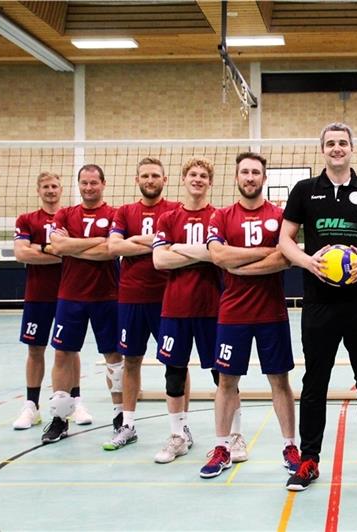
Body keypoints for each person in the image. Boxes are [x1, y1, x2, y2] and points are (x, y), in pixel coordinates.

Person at [279, 122, 357, 491]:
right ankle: (309, 459)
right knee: (314, 381)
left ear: (351, 148)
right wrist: (307, 261)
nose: (336, 148)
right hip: (319, 302)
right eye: (330, 143)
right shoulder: (304, 191)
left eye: (342, 143)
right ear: (322, 150)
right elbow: (285, 238)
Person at [204, 152, 299, 478]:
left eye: (255, 172)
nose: (249, 177)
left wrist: (239, 263)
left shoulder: (280, 215)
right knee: (227, 382)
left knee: (280, 381)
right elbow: (218, 255)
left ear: (264, 177)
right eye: (244, 172)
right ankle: (222, 447)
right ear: (236, 177)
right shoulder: (221, 215)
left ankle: (290, 446)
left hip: (271, 312)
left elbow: (284, 259)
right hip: (233, 313)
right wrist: (264, 255)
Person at [152, 158, 245, 466]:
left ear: (210, 182)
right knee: (174, 374)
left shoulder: (220, 216)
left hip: (214, 308)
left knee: (224, 376)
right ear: (183, 179)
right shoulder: (167, 218)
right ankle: (178, 435)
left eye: (203, 175)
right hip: (175, 308)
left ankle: (234, 436)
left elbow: (218, 257)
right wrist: (200, 253)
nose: (197, 179)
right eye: (192, 174)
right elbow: (158, 262)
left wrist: (176, 249)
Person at [103, 157, 180, 450]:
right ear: (137, 180)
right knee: (130, 361)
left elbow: (174, 246)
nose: (150, 180)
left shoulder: (174, 210)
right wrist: (155, 241)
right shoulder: (125, 211)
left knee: (176, 362)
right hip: (131, 296)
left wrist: (135, 241)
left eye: (155, 175)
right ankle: (128, 424)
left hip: (168, 297)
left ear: (165, 179)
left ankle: (179, 427)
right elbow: (113, 247)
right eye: (145, 176)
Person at [42, 164, 121, 444]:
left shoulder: (114, 214)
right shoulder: (65, 213)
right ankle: (60, 419)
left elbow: (110, 251)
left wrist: (74, 245)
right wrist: (94, 243)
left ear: (103, 183)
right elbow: (57, 247)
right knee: (62, 354)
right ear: (78, 185)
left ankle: (120, 416)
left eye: (93, 183)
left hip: (107, 296)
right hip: (70, 296)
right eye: (84, 183)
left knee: (114, 356)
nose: (89, 187)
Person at [13, 171, 91, 430]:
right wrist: (65, 251)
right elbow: (21, 254)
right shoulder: (26, 219)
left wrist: (42, 248)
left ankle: (75, 401)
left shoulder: (71, 216)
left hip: (69, 292)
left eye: (54, 186)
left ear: (61, 189)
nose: (50, 190)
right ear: (39, 190)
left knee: (69, 350)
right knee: (35, 349)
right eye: (45, 186)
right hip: (38, 295)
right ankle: (31, 406)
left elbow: (78, 249)